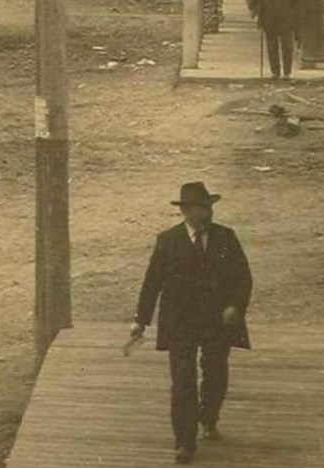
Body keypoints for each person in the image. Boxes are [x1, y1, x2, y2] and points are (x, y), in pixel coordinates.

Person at [130, 182, 253, 464]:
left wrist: (235, 306)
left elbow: (243, 278)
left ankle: (209, 416)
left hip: (216, 321)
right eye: (201, 207)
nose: (207, 212)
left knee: (216, 373)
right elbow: (152, 284)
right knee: (182, 381)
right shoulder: (168, 241)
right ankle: (184, 443)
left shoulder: (226, 237)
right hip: (180, 322)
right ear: (186, 211)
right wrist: (140, 320)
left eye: (209, 206)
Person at [255, 0, 298, 80]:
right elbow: (261, 10)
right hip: (270, 26)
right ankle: (275, 72)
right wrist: (260, 23)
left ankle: (287, 72)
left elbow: (295, 4)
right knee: (272, 49)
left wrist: (292, 18)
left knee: (287, 48)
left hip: (285, 24)